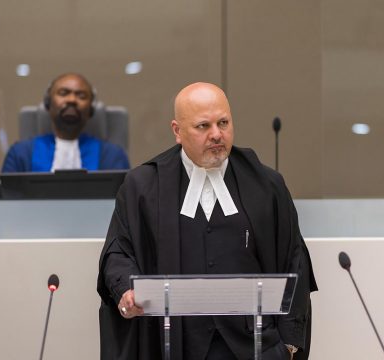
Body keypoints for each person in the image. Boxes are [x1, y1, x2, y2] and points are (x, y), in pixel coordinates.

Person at [97, 82, 317, 360]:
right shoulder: (142, 187)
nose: (216, 134)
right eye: (203, 126)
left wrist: (289, 345)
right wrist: (126, 289)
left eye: (223, 122)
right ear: (177, 131)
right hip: (174, 344)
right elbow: (118, 251)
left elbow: (295, 261)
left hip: (255, 346)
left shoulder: (267, 185)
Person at [1, 73, 129, 172]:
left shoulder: (113, 155)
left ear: (91, 109)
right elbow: (4, 202)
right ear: (48, 103)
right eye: (63, 93)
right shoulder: (20, 153)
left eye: (81, 96)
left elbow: (126, 203)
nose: (72, 99)